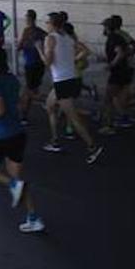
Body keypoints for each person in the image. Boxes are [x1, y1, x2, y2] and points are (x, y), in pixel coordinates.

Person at [0, 48, 44, 233]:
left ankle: (13, 186)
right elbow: (18, 102)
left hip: (1, 137)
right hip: (18, 134)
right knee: (18, 180)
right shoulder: (11, 78)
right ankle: (33, 218)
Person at [43, 12, 103, 162]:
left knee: (73, 117)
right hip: (70, 78)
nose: (46, 25)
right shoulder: (68, 38)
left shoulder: (50, 39)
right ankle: (54, 140)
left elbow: (47, 62)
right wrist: (72, 60)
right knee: (49, 106)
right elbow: (86, 51)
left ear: (52, 24)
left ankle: (92, 146)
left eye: (47, 22)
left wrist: (39, 49)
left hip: (62, 81)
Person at [99, 16, 135, 134]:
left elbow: (120, 52)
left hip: (118, 71)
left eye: (104, 27)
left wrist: (112, 64)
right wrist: (129, 55)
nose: (103, 29)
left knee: (108, 99)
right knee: (120, 97)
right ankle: (124, 118)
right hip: (126, 69)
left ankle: (109, 126)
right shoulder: (122, 35)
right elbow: (130, 48)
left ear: (108, 27)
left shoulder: (114, 37)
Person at [16, 9, 48, 123]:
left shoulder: (26, 31)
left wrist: (21, 44)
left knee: (28, 91)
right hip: (40, 64)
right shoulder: (42, 32)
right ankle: (27, 112)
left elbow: (19, 47)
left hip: (30, 63)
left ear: (29, 19)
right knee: (33, 88)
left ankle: (47, 101)